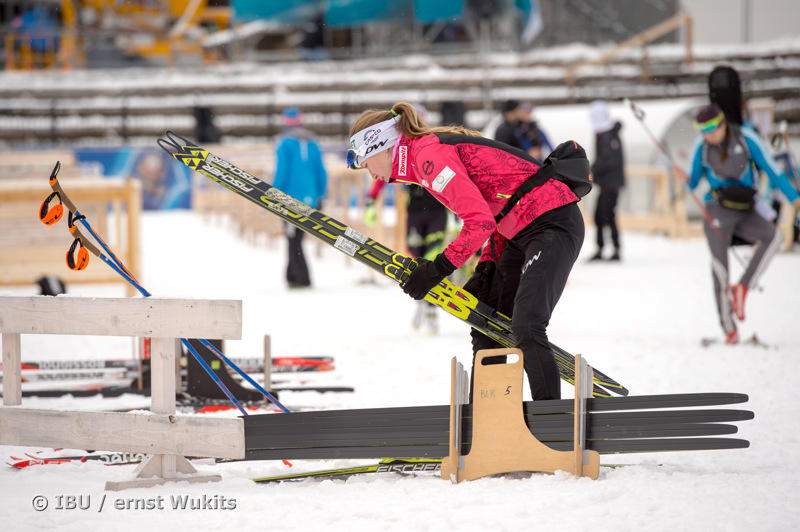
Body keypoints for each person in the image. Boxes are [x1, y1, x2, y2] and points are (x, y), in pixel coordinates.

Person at [347, 102, 592, 400]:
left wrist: (438, 269)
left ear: (382, 147)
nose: (368, 173)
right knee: (486, 324)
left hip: (552, 223)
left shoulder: (428, 157)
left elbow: (480, 222)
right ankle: (492, 424)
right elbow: (500, 210)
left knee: (527, 326)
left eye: (364, 161)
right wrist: (488, 264)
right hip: (516, 234)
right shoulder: (420, 159)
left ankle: (554, 427)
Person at [673, 103, 800, 344]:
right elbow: (694, 183)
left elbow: (773, 172)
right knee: (720, 270)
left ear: (722, 123)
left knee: (773, 237)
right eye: (703, 130)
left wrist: (795, 199)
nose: (708, 134)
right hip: (717, 210)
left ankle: (742, 287)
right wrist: (685, 179)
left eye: (711, 128)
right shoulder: (702, 147)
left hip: (746, 208)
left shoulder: (746, 138)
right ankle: (729, 329)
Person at [273, 107, 328, 288]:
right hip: (310, 199)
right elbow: (321, 172)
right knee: (296, 238)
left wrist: (274, 193)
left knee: (293, 239)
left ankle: (300, 277)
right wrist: (320, 194)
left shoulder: (285, 144)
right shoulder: (312, 143)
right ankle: (293, 275)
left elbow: (282, 172)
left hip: (289, 199)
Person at [588, 100, 625, 261]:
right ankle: (602, 247)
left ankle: (613, 248)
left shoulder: (609, 135)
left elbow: (609, 160)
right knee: (602, 215)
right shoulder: (605, 134)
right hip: (606, 183)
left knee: (606, 215)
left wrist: (592, 170)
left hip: (611, 184)